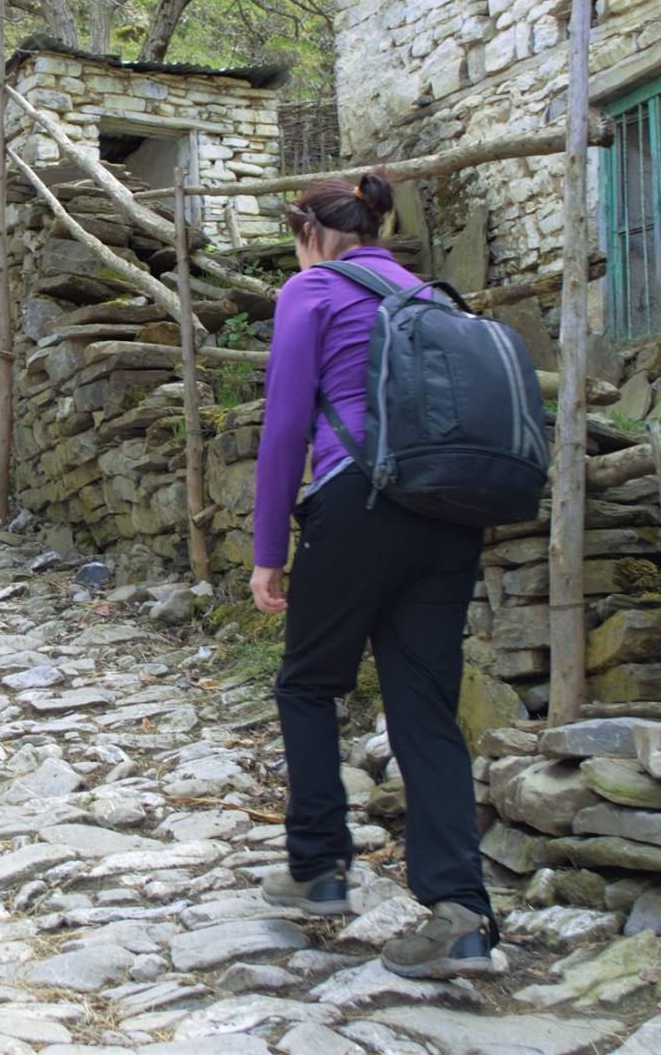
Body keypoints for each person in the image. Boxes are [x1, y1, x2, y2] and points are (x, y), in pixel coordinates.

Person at [253, 168, 497, 980]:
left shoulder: (313, 291)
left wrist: (267, 552)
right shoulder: (428, 295)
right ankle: (461, 913)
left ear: (311, 233)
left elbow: (287, 425)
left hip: (356, 501)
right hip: (447, 511)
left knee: (309, 682)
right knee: (424, 706)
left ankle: (319, 868)